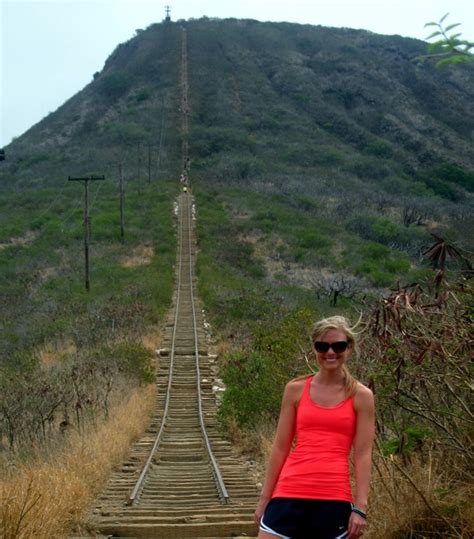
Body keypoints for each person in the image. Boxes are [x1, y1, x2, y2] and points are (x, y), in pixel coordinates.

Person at [255, 315, 375, 539]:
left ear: (349, 347)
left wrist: (360, 508)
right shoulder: (295, 389)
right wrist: (264, 499)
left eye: (338, 346)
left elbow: (362, 454)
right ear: (314, 348)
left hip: (334, 498)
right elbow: (280, 447)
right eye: (323, 346)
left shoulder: (361, 396)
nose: (330, 352)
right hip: (289, 492)